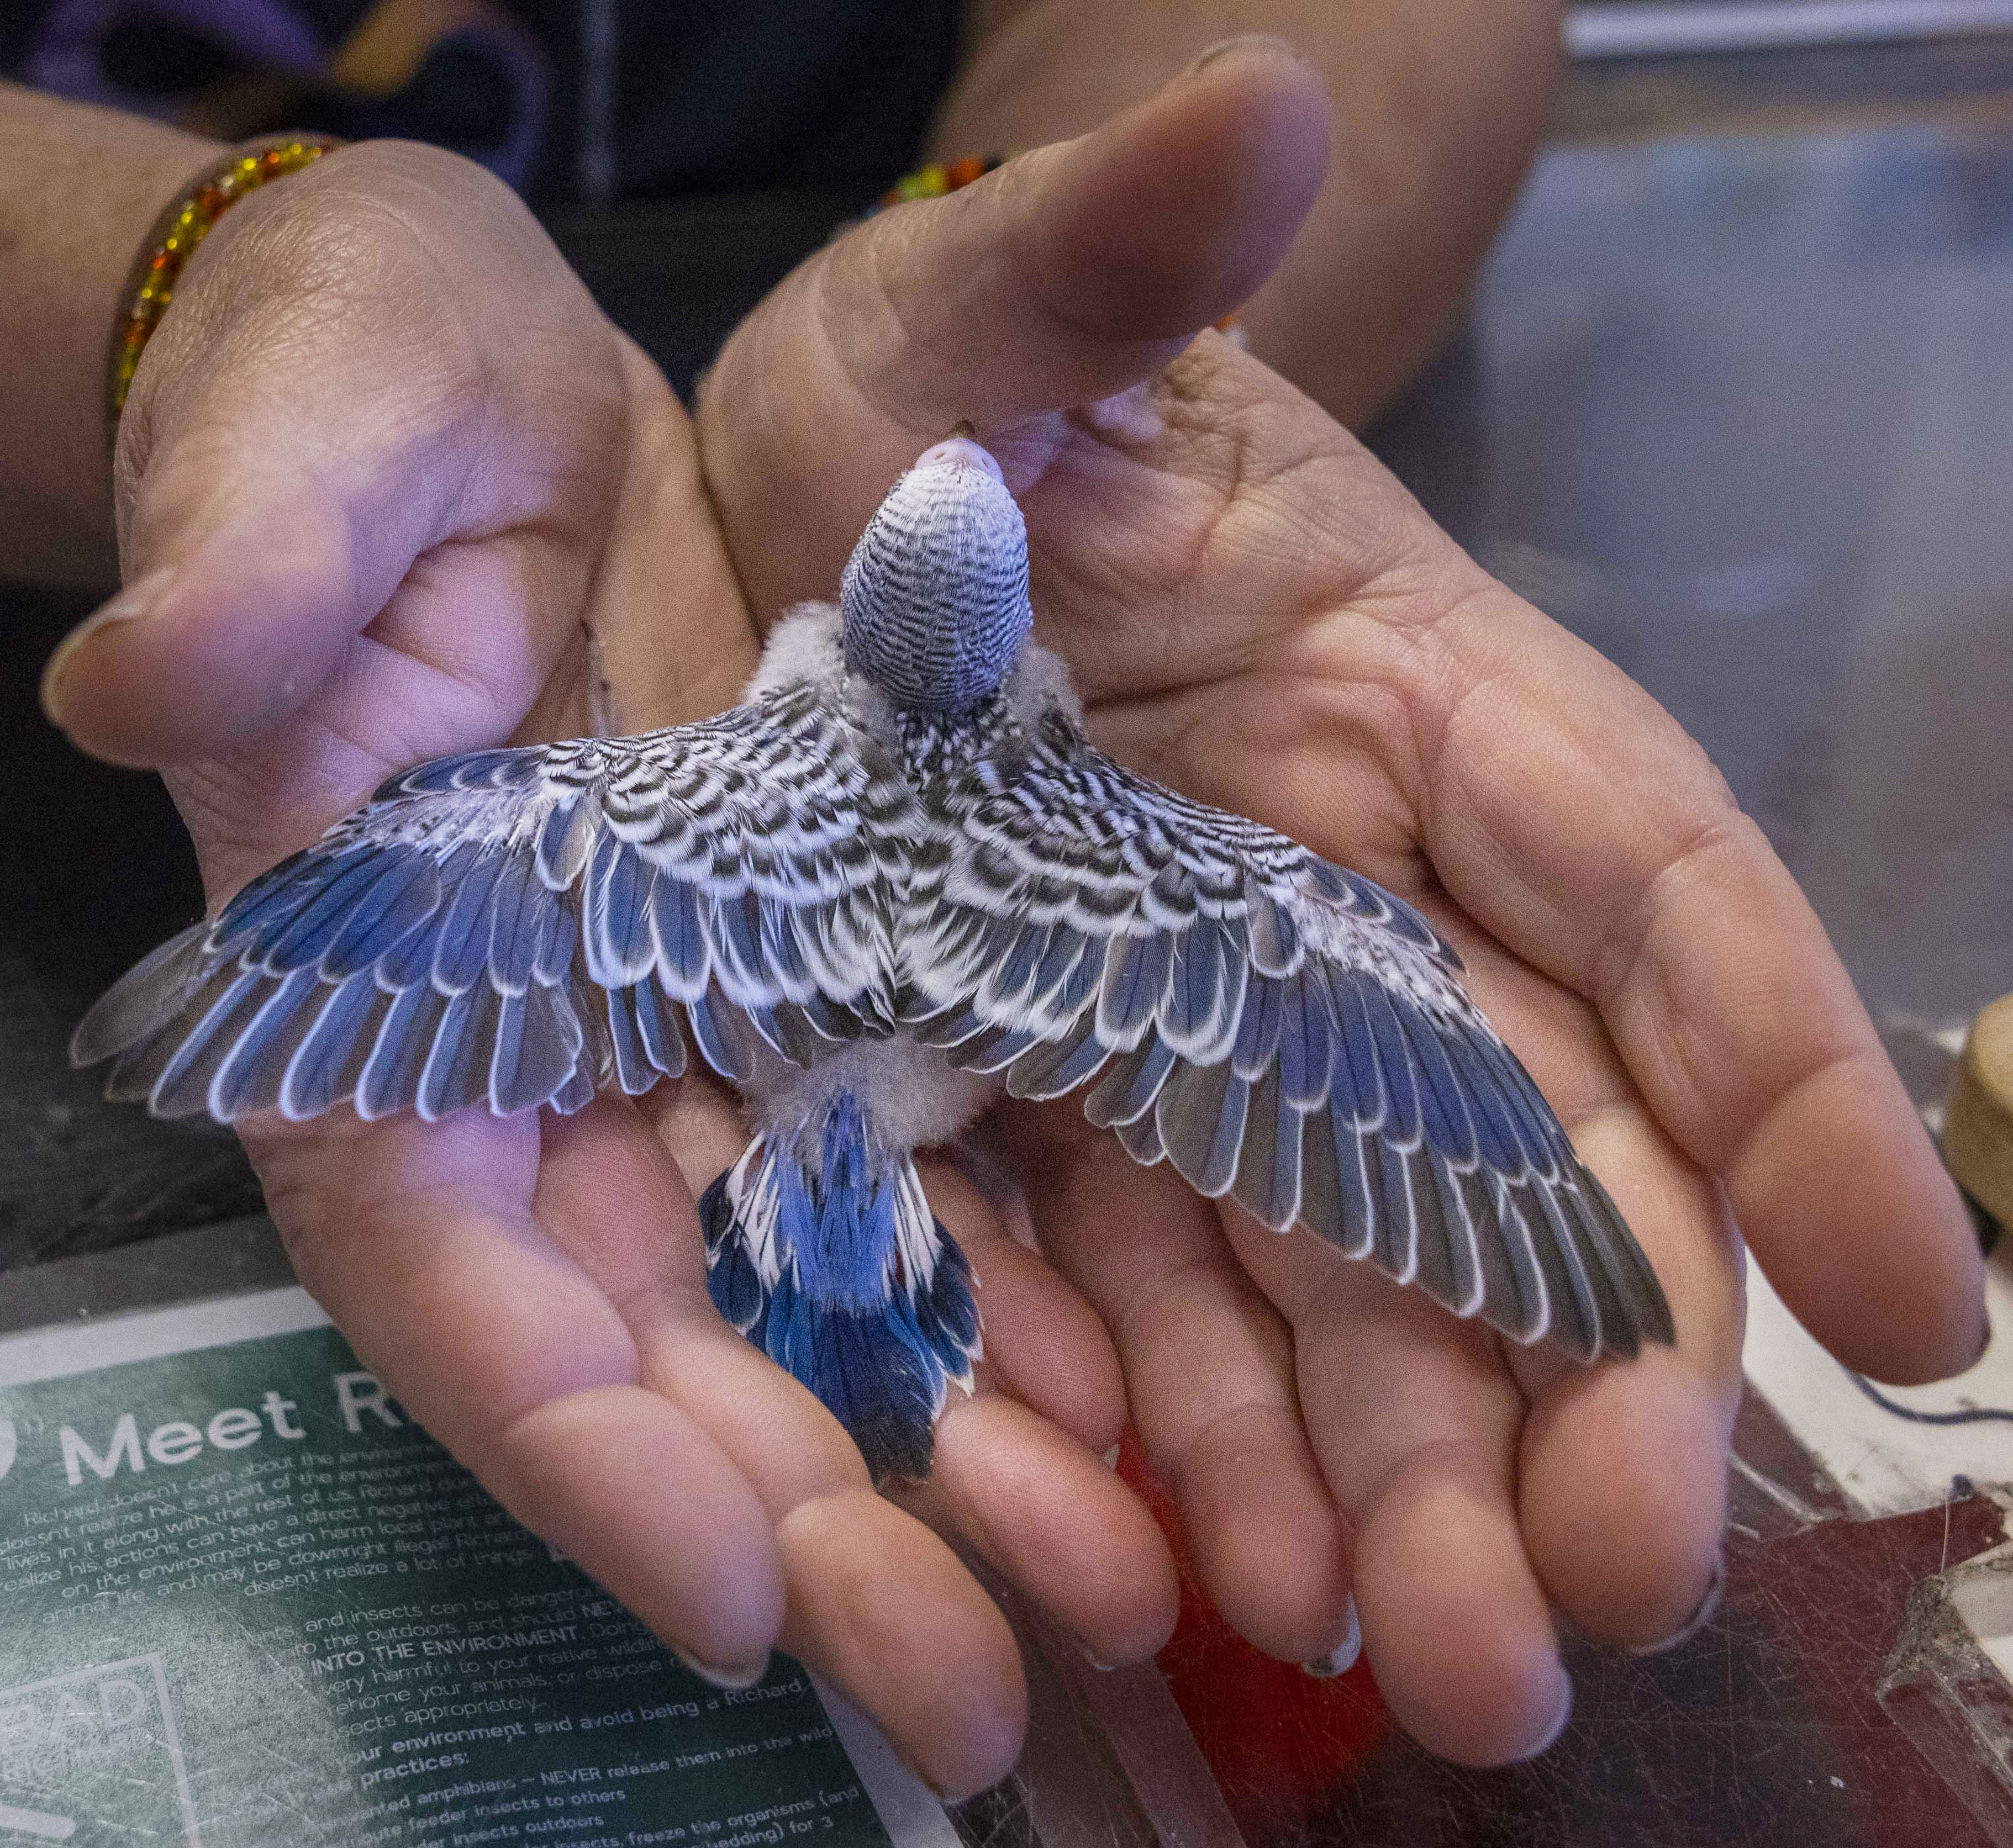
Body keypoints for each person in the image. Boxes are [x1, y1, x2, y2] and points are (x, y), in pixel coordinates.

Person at [2, 17, 1986, 1803]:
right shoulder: (1127, 828)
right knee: (1359, 951)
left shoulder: (698, 773)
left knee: (477, 823)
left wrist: (1073, 267)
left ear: (845, 623)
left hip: (771, 1078)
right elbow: (1325, 974)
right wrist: (171, 266)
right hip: (932, 1081)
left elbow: (476, 848)